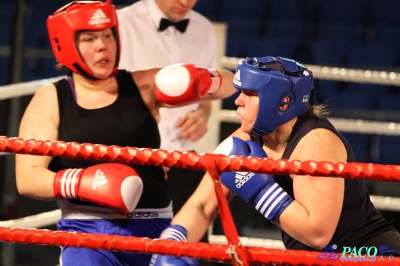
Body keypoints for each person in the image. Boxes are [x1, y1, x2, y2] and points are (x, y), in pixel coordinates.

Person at [14, 1, 235, 265]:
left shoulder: (143, 85)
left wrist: (200, 78)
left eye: (108, 36)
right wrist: (83, 183)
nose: (102, 45)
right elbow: (27, 178)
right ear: (65, 44)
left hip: (156, 229)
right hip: (87, 233)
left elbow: (232, 85)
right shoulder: (52, 99)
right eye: (89, 38)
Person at [151, 55, 400, 265]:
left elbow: (318, 234)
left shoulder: (316, 142)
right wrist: (174, 240)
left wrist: (259, 191)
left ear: (282, 102)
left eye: (249, 94)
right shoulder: (245, 140)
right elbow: (202, 206)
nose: (237, 101)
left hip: (366, 254)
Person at [117, 0, 218, 228]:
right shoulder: (123, 24)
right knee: (135, 253)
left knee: (192, 252)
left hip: (184, 159)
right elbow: (110, 99)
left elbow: (207, 95)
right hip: (137, 163)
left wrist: (202, 113)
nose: (185, 2)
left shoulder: (204, 29)